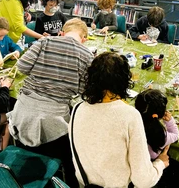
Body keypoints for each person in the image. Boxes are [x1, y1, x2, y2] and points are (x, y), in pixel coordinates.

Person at [6, 18, 93, 187]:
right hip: (54, 125)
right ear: (84, 39)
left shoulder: (44, 41)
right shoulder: (86, 54)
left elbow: (22, 67)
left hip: (21, 116)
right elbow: (84, 92)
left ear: (62, 33)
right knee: (73, 153)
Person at [70, 52, 169, 187]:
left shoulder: (77, 108)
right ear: (125, 81)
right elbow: (143, 180)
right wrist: (160, 164)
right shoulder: (129, 115)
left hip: (85, 184)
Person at [135, 89, 179, 160]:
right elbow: (175, 135)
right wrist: (170, 121)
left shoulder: (132, 123)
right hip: (151, 163)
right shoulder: (158, 133)